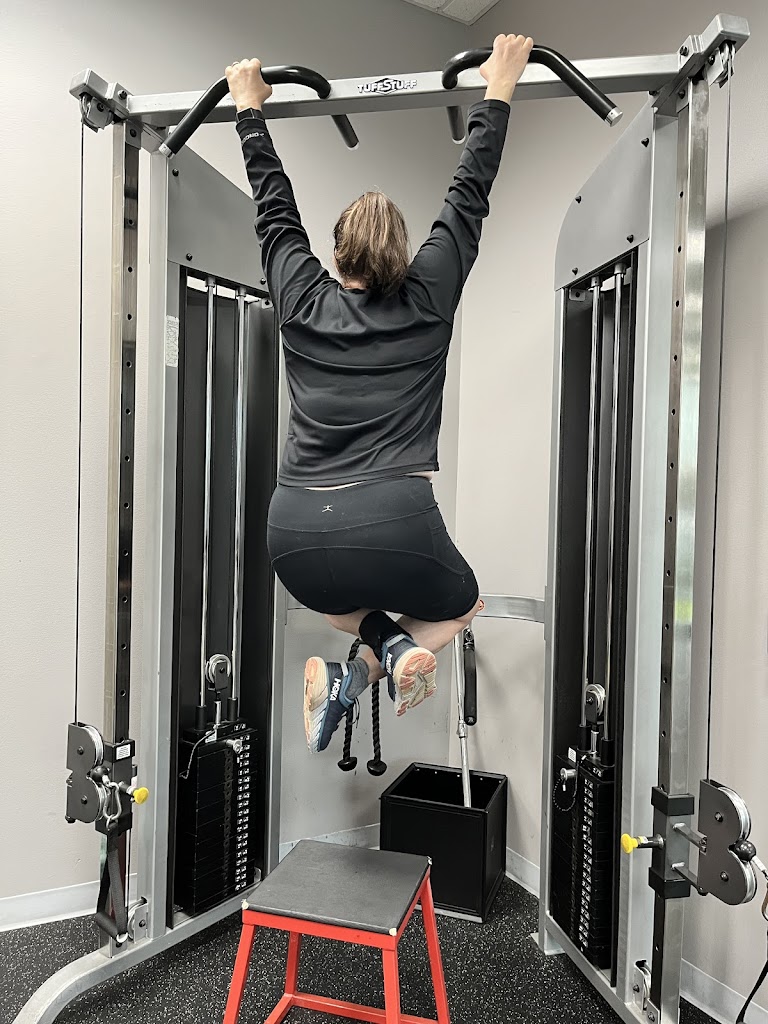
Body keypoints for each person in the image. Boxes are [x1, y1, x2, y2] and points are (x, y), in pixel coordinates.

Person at [225, 34, 533, 754]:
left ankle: (369, 662)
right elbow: (469, 195)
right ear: (403, 253)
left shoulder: (302, 299)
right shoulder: (427, 297)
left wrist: (248, 111)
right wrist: (499, 88)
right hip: (394, 519)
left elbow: (273, 208)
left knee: (336, 605)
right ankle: (384, 658)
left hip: (295, 532)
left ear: (336, 253)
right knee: (461, 606)